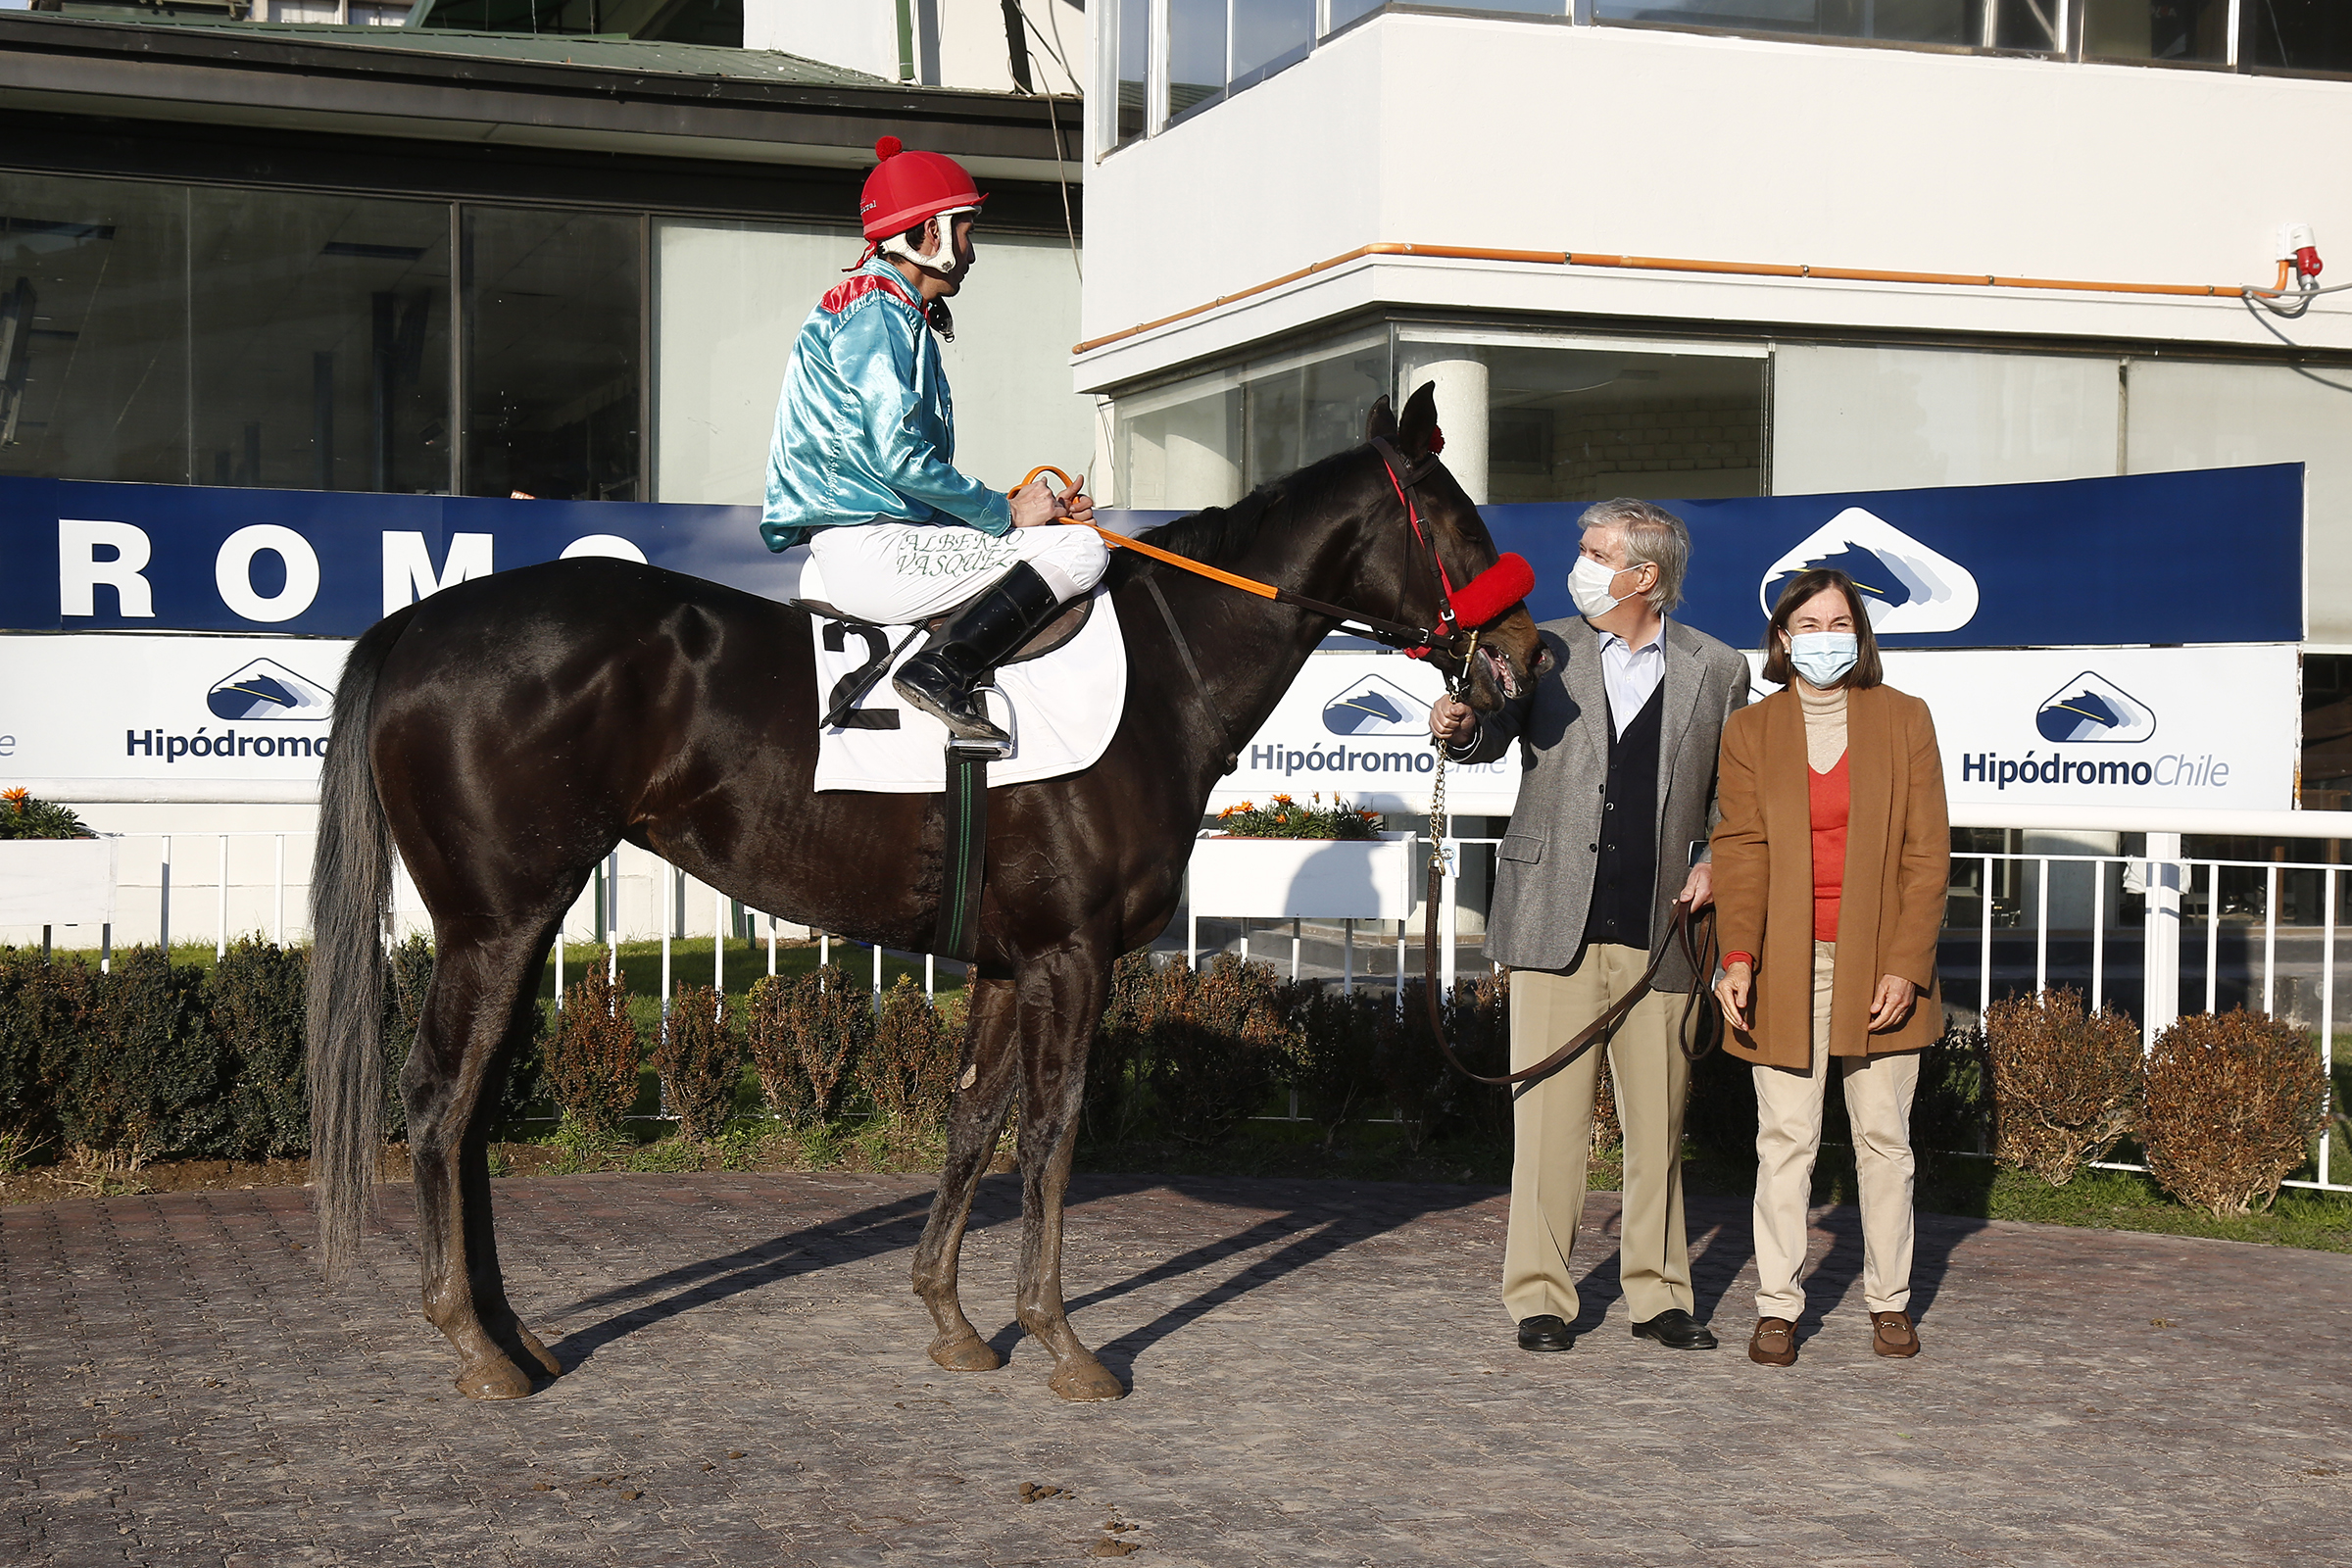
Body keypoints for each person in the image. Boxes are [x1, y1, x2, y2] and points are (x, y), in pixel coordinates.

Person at [1430, 498, 1750, 1354]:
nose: (1580, 562)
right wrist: (1460, 727)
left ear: (1645, 574)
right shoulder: (1545, 647)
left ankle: (1661, 1296)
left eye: (1598, 552)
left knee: (1660, 1127)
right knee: (1547, 1125)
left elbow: (1735, 796)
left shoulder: (1718, 667)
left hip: (1664, 931)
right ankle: (1540, 1296)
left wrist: (1718, 861)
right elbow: (1490, 728)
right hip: (1551, 920)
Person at [760, 135, 1106, 748]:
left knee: (1051, 535)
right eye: (966, 231)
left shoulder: (879, 307)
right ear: (930, 234)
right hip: (873, 549)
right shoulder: (879, 313)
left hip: (870, 541)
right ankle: (940, 673)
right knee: (1082, 549)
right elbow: (899, 460)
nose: (972, 251)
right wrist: (1005, 512)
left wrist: (1020, 509)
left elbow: (891, 468)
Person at [1708, 568, 1948, 1367]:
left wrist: (1906, 966)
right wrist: (1737, 956)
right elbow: (1740, 852)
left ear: (1860, 633)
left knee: (1884, 1137)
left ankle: (1890, 1301)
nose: (1823, 638)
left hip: (1880, 959)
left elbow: (1927, 854)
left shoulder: (1904, 718)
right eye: (1807, 625)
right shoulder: (1750, 731)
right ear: (1782, 638)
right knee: (1785, 1139)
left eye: (1838, 623)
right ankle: (1778, 1306)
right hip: (1786, 961)